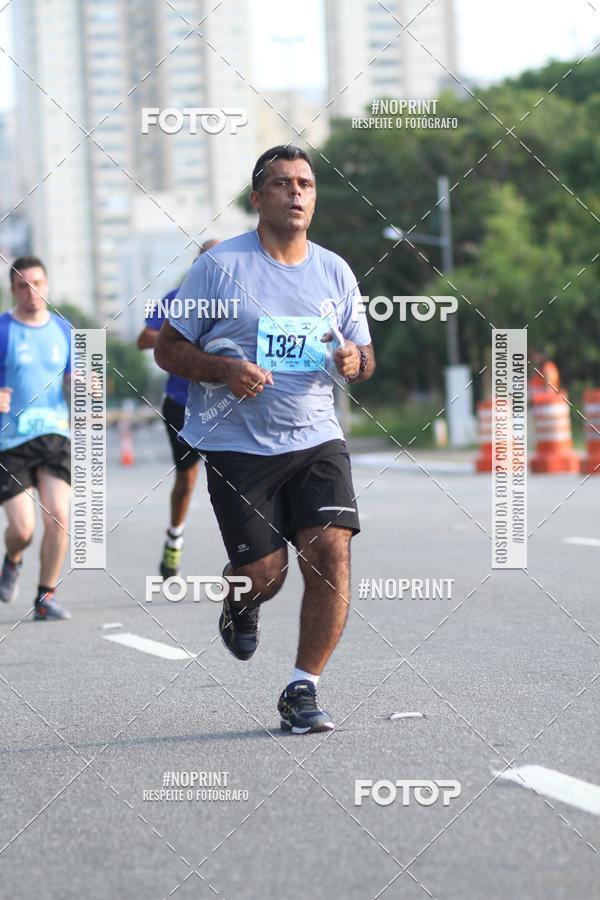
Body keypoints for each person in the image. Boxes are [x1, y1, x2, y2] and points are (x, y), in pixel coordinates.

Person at [155, 146, 375, 733]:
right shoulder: (219, 268)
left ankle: (303, 687)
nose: (296, 193)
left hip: (315, 437)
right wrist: (224, 370)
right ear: (258, 198)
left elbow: (364, 354)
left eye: (305, 183)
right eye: (281, 184)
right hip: (237, 444)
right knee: (267, 576)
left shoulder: (334, 271)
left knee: (331, 553)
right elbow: (167, 348)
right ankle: (240, 600)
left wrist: (355, 360)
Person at [137, 239, 219, 578]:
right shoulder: (175, 298)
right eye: (208, 260)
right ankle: (174, 540)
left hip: (225, 405)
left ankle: (249, 553)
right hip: (181, 405)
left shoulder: (239, 299)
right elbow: (144, 338)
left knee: (236, 480)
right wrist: (180, 342)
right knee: (186, 480)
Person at [0, 256, 72, 619]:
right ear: (13, 291)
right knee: (23, 529)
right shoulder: (3, 330)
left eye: (38, 284)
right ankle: (12, 559)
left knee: (59, 516)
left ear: (47, 285)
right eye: (23, 286)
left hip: (54, 435)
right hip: (10, 442)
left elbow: (79, 379)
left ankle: (45, 597)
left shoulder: (64, 329)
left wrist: (86, 385)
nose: (32, 292)